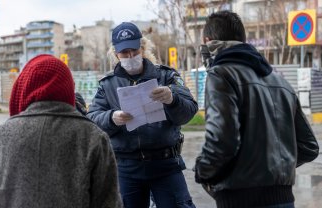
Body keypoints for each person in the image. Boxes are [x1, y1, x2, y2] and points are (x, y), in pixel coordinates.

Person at [194, 10, 320, 208]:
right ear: (243, 40)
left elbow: (222, 141)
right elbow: (309, 147)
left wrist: (202, 171)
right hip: (284, 200)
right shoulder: (281, 82)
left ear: (207, 41)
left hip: (240, 200)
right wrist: (271, 167)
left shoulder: (220, 74)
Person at [0, 54, 123, 208]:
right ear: (68, 89)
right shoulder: (93, 137)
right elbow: (108, 202)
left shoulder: (3, 134)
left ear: (25, 88)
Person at [87, 22, 198, 208]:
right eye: (124, 53)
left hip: (165, 164)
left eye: (134, 50)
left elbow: (188, 113)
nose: (130, 56)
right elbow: (92, 120)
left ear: (143, 48)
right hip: (126, 168)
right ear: (116, 54)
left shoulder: (167, 77)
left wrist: (172, 99)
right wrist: (111, 118)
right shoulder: (107, 85)